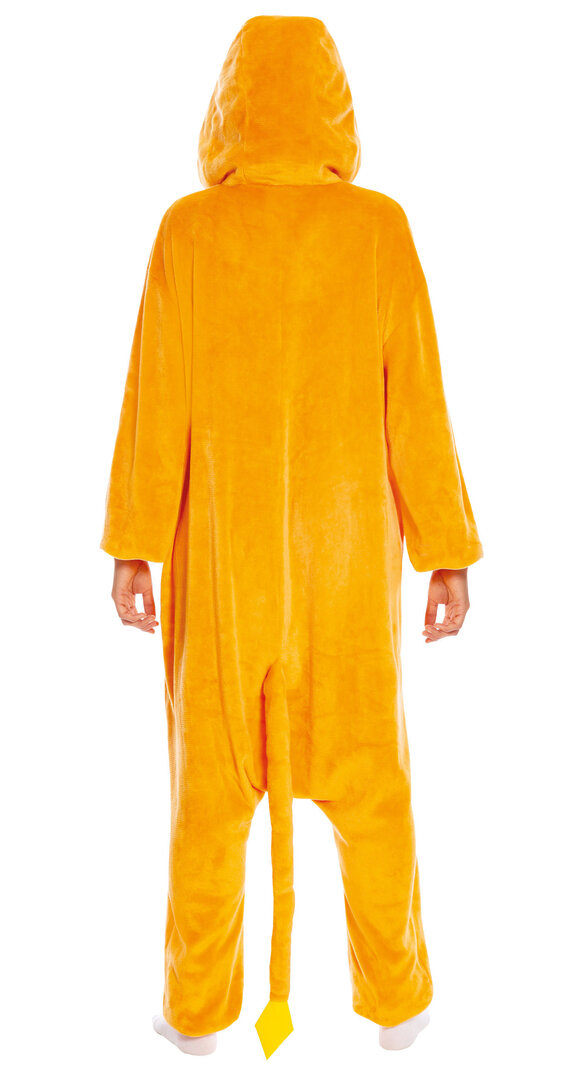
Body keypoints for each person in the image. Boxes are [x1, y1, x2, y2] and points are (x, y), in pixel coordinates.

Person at [100, 14, 484, 1060]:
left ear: (227, 105)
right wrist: (444, 551)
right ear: (334, 105)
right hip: (346, 566)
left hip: (223, 564)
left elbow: (154, 401)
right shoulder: (378, 229)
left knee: (209, 795)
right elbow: (418, 406)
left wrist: (135, 542)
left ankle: (194, 1014)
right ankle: (399, 1002)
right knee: (373, 786)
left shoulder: (190, 231)